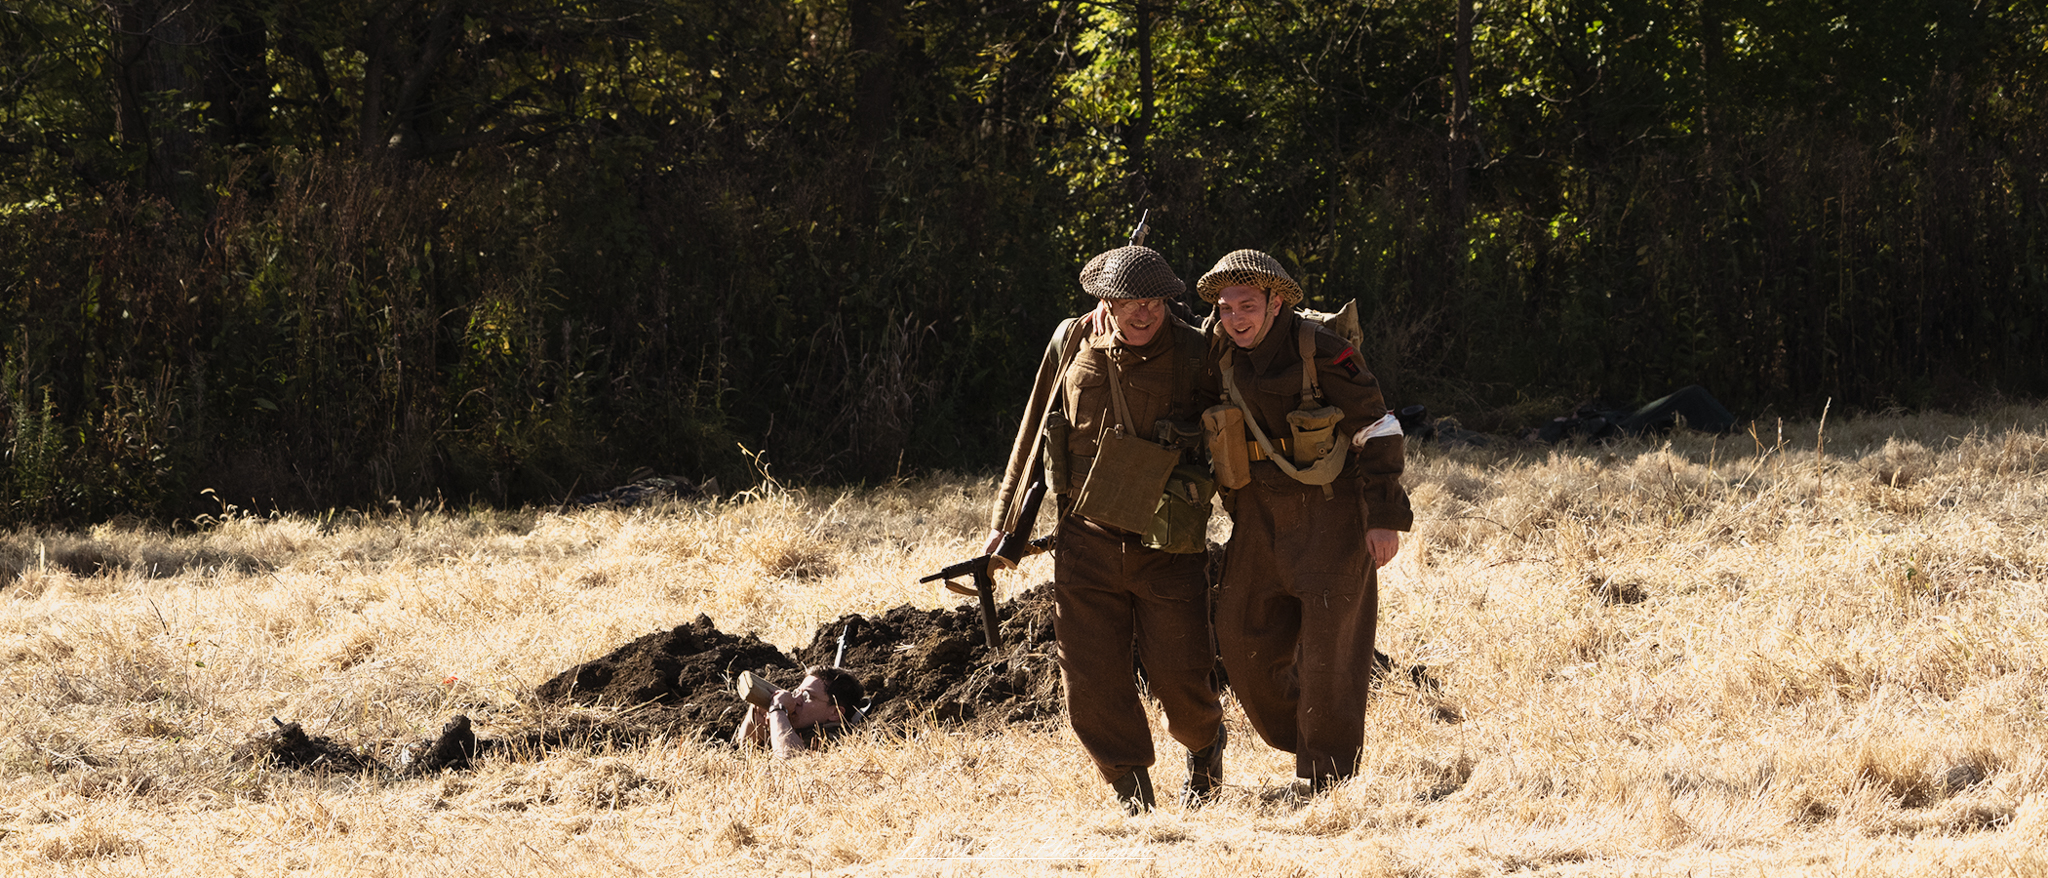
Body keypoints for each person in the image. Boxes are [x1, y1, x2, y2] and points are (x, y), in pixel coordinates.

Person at [985, 245, 1227, 812]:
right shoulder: (1071, 341)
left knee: (1182, 674)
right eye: (1127, 302)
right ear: (1104, 301)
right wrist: (1003, 526)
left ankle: (1205, 746)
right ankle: (1131, 792)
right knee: (1090, 679)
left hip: (1167, 541)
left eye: (1153, 302)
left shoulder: (1198, 353)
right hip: (1085, 539)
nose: (1142, 314)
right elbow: (1032, 427)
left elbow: (1235, 431)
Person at [1196, 249, 1412, 792]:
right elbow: (1155, 332)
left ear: (1275, 303)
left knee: (1329, 660)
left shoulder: (1326, 353)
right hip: (1257, 522)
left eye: (1247, 305)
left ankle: (1327, 779)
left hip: (1332, 521)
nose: (1236, 317)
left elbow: (1380, 430)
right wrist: (1102, 313)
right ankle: (1313, 738)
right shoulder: (1218, 349)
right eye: (1226, 307)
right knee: (1240, 639)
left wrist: (1383, 517)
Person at [733, 667, 866, 758]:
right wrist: (756, 714)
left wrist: (778, 709)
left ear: (835, 713)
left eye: (807, 696)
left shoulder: (837, 741)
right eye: (796, 692)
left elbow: (792, 765)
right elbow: (744, 751)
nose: (796, 700)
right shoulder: (799, 727)